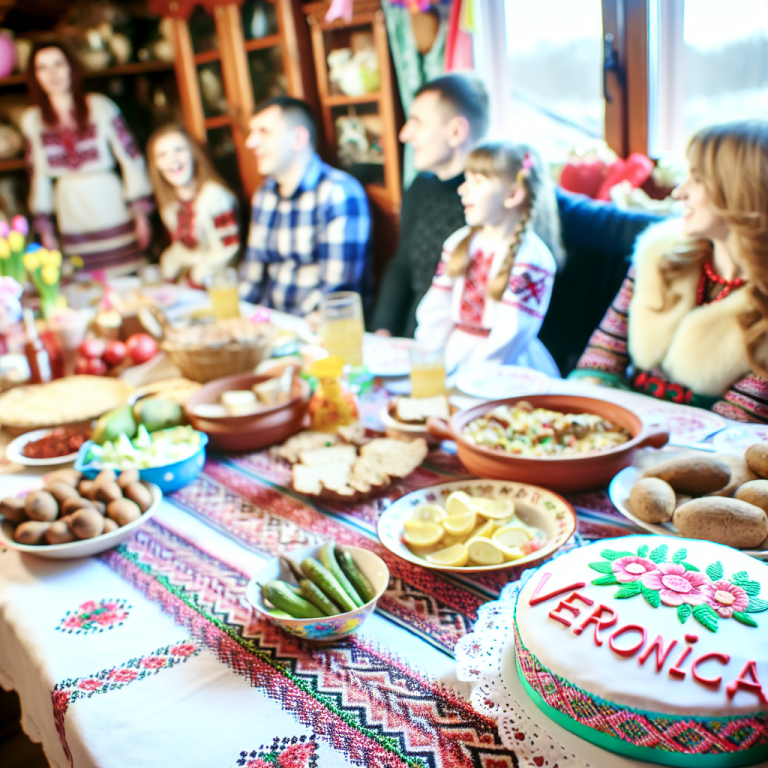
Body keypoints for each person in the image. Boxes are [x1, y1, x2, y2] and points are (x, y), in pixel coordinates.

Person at [571, 121, 768, 423]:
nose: (679, 191)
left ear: (743, 191)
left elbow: (736, 424)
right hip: (623, 427)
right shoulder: (659, 254)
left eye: (697, 179)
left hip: (706, 445)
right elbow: (602, 357)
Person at [414, 142, 562, 378]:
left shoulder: (532, 258)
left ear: (513, 194)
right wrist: (428, 356)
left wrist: (479, 375)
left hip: (505, 365)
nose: (462, 189)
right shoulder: (459, 242)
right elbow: (437, 307)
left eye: (477, 181)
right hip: (456, 354)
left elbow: (513, 332)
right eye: (466, 179)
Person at [371, 72, 489, 338]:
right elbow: (402, 265)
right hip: (416, 341)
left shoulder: (496, 195)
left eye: (417, 122)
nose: (404, 134)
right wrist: (383, 329)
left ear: (456, 132)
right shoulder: (420, 186)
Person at [21, 41, 153, 275]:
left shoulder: (100, 106)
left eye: (58, 64)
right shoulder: (32, 121)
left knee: (126, 275)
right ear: (35, 76)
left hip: (109, 200)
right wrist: (46, 230)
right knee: (85, 280)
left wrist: (140, 214)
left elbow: (130, 156)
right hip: (70, 208)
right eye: (43, 68)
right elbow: (37, 175)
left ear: (71, 67)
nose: (52, 74)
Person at [239, 96, 370, 316]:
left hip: (314, 325)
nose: (250, 142)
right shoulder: (264, 194)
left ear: (298, 138)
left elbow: (336, 291)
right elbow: (252, 275)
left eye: (264, 132)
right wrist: (239, 316)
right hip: (267, 321)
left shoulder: (338, 193)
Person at [147, 125, 239, 287]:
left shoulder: (215, 196)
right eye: (162, 155)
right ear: (156, 165)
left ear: (193, 153)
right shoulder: (170, 205)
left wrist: (193, 279)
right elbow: (181, 250)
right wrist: (168, 270)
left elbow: (227, 249)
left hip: (221, 284)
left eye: (179, 150)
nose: (172, 160)